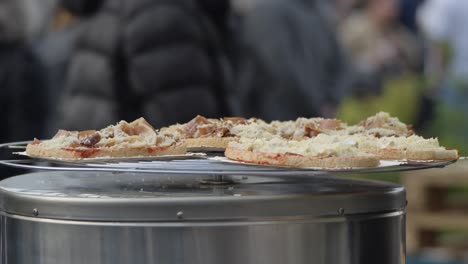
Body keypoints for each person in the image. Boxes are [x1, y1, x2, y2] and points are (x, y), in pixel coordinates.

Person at [58, 0, 232, 131]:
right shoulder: (160, 11)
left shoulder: (109, 8)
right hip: (145, 171)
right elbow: (189, 130)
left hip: (99, 166)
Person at [233, 0, 352, 120]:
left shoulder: (319, 10)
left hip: (308, 116)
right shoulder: (269, 9)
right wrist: (319, 106)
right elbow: (280, 69)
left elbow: (341, 64)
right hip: (276, 115)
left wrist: (331, 101)